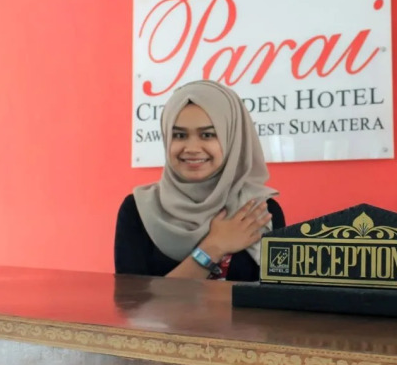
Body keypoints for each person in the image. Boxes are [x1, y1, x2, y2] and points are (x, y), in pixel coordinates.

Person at [114, 80, 285, 280]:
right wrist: (213, 247)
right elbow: (132, 297)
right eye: (179, 135)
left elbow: (275, 294)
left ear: (232, 138)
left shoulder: (260, 212)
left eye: (207, 135)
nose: (192, 148)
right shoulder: (139, 210)